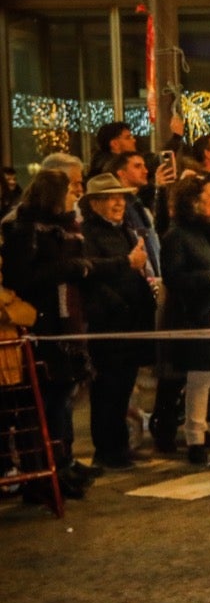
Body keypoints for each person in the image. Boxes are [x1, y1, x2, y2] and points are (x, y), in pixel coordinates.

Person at [0, 167, 93, 498]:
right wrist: (68, 268)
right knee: (43, 401)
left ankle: (63, 462)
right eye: (70, 190)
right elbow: (21, 277)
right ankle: (41, 473)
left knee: (62, 398)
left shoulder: (67, 228)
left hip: (66, 324)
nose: (75, 195)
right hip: (42, 324)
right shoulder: (25, 230)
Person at [78, 174, 158, 470]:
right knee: (107, 390)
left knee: (123, 388)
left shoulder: (125, 229)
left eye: (121, 197)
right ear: (94, 203)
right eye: (110, 198)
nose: (118, 203)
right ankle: (107, 449)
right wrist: (125, 274)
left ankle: (120, 445)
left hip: (132, 322)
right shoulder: (88, 234)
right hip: (109, 322)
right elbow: (93, 275)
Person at [160, 176, 210, 467]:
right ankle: (195, 436)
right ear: (194, 201)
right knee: (200, 378)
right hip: (195, 314)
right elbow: (173, 277)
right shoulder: (177, 236)